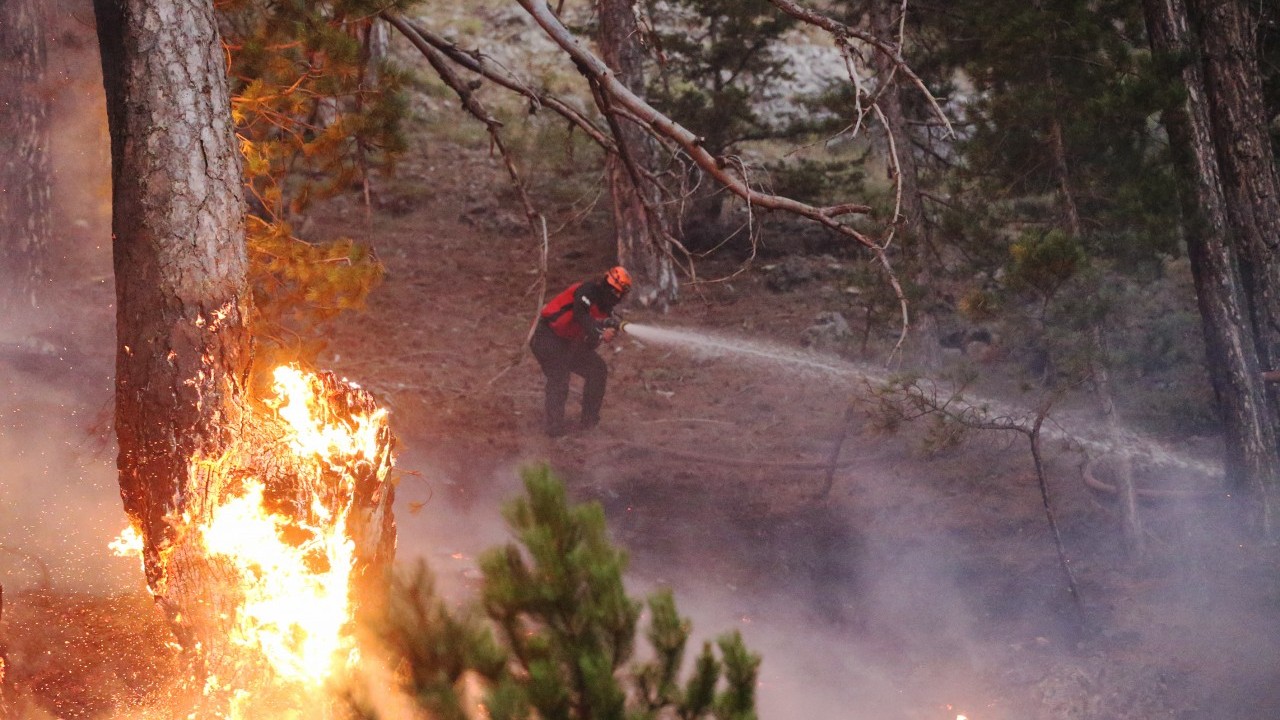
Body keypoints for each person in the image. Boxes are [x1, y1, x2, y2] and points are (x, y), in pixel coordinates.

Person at [530, 266, 631, 436]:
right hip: (545, 335)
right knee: (559, 376)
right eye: (615, 292)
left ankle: (589, 422)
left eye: (621, 294)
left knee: (597, 370)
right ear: (606, 285)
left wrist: (600, 336)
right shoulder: (587, 290)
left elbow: (588, 344)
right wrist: (599, 330)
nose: (617, 298)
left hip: (568, 343)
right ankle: (554, 429)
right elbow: (580, 314)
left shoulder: (605, 311)